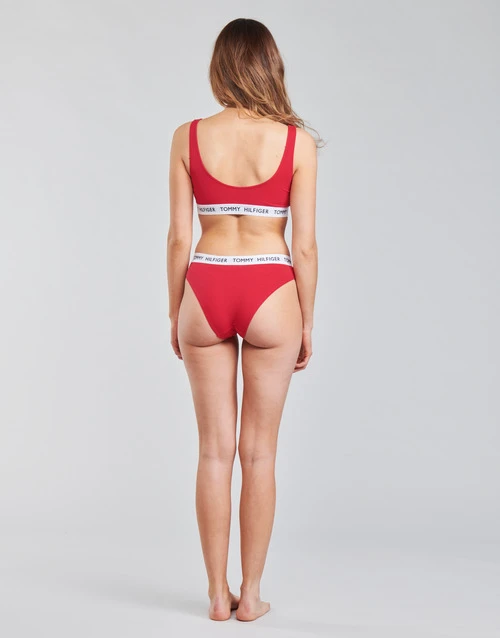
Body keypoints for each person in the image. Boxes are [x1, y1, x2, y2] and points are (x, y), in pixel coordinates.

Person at [167, 17, 320, 623]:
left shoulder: (187, 137)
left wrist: (173, 309)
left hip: (205, 285)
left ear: (220, 68)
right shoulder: (295, 143)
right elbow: (304, 246)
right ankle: (250, 595)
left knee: (213, 452)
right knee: (259, 455)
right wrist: (306, 322)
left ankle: (215, 594)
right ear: (269, 66)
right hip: (270, 287)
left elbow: (179, 237)